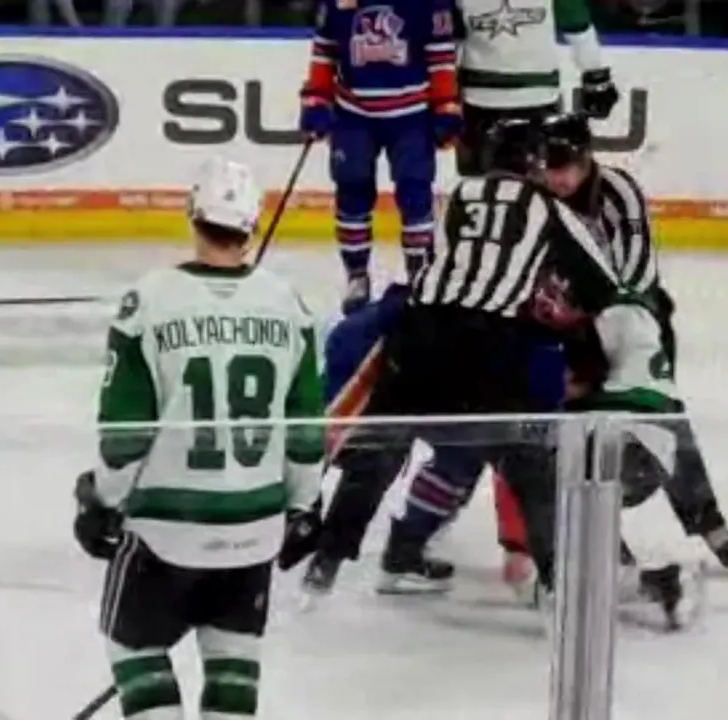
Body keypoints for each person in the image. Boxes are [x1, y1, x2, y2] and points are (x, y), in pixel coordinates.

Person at [297, 118, 623, 598]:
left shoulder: (459, 195)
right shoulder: (548, 208)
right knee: (527, 463)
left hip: (418, 332)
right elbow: (602, 286)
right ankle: (560, 583)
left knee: (379, 450)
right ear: (534, 164)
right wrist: (555, 305)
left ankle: (324, 565)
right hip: (489, 343)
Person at [71, 157, 325, 720]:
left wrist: (102, 501)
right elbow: (306, 428)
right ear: (251, 225)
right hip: (256, 525)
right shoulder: (290, 306)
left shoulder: (148, 301)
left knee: (134, 648)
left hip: (166, 529)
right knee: (234, 658)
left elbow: (125, 432)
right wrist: (304, 505)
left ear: (193, 214)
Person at [532, 111, 728, 573]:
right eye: (550, 166)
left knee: (659, 415)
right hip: (572, 326)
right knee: (574, 432)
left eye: (567, 165)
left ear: (587, 158)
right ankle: (604, 543)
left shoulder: (618, 192)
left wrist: (593, 317)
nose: (558, 177)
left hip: (633, 319)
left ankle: (707, 520)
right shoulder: (537, 199)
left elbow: (633, 274)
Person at [299, 0, 462, 313]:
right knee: (352, 190)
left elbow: (441, 56)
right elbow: (324, 51)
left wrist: (446, 106)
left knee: (415, 194)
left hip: (412, 115)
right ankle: (357, 275)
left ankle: (419, 277)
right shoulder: (338, 3)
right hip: (353, 114)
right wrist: (316, 100)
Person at [452, 0, 619, 177]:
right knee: (537, 181)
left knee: (480, 181)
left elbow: (447, 38)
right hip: (535, 96)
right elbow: (577, 27)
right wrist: (596, 76)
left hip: (482, 97)